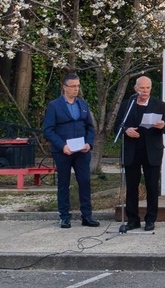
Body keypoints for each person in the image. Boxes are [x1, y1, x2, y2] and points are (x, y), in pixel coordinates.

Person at [42, 72, 100, 229]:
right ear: (64, 87)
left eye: (78, 86)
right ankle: (65, 216)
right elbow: (48, 130)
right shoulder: (54, 106)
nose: (76, 89)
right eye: (73, 86)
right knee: (64, 183)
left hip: (82, 151)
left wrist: (89, 143)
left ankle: (87, 216)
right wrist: (62, 146)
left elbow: (90, 127)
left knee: (85, 182)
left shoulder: (83, 104)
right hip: (63, 151)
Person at [116, 76, 165, 231]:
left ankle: (150, 220)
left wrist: (162, 125)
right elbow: (117, 126)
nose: (145, 91)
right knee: (132, 187)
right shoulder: (127, 105)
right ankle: (132, 220)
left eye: (147, 88)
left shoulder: (159, 105)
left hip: (152, 152)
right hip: (132, 151)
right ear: (135, 89)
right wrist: (126, 130)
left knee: (152, 187)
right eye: (142, 88)